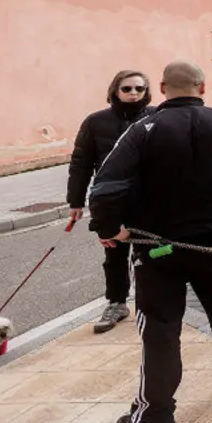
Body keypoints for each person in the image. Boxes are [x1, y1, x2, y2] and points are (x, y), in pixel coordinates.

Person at [89, 61, 212, 423]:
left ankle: (156, 415)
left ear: (161, 87)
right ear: (202, 88)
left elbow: (106, 186)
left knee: (159, 326)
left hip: (159, 248)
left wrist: (109, 230)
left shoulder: (143, 130)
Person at [67, 70, 156, 334]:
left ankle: (154, 303)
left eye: (139, 89)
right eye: (126, 88)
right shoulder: (95, 122)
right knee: (114, 254)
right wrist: (75, 201)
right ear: (115, 90)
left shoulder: (156, 117)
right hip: (112, 201)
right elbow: (80, 164)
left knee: (152, 253)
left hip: (148, 199)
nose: (133, 94)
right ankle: (117, 303)